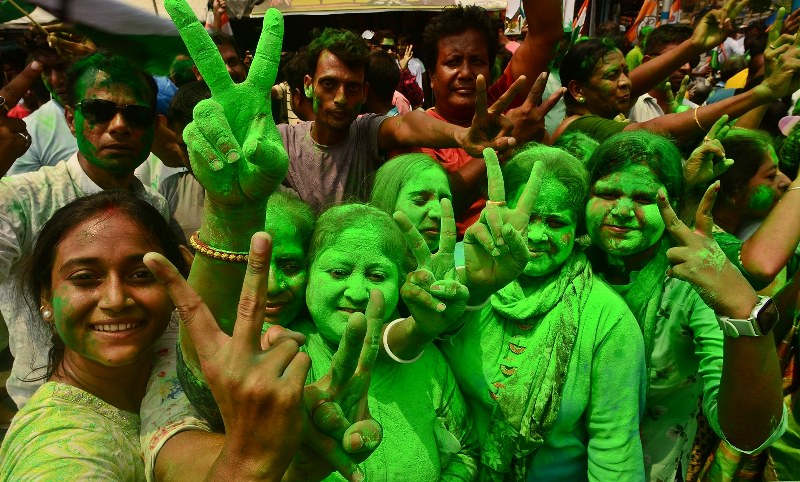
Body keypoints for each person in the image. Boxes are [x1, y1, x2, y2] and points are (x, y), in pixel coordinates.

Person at [384, 145, 647, 480]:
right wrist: (474, 292)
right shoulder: (460, 268)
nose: (536, 236)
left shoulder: (607, 318)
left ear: (579, 228)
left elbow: (615, 451)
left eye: (555, 222)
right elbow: (400, 360)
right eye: (528, 219)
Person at [583, 130, 787, 481]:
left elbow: (749, 434)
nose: (622, 211)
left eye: (645, 198)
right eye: (607, 193)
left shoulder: (691, 281)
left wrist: (743, 311)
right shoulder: (566, 259)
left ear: (672, 206)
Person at [0, 52, 171, 408]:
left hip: (147, 406)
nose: (119, 125)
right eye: (99, 111)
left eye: (135, 115)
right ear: (71, 119)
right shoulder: (23, 198)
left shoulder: (154, 205)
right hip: (52, 411)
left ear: (153, 126)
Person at [0, 191, 187, 479]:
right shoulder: (54, 441)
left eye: (139, 274)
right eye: (85, 278)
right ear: (46, 298)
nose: (115, 299)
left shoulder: (177, 364)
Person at [281, 27, 520, 213]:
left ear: (365, 92)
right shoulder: (284, 140)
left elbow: (408, 124)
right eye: (329, 84)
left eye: (352, 87)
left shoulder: (366, 132)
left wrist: (461, 136)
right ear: (308, 85)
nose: (341, 98)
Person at [420, 0, 564, 233]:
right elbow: (438, 206)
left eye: (477, 61)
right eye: (453, 62)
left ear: (490, 69)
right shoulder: (419, 134)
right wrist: (503, 144)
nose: (466, 73)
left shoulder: (505, 100)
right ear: (432, 76)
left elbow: (546, 34)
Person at [554, 21, 800, 144]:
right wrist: (762, 92)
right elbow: (656, 130)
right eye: (611, 76)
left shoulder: (602, 109)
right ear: (577, 90)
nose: (625, 83)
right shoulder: (581, 127)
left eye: (625, 72)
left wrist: (693, 45)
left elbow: (636, 82)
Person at [369, 153, 451, 253]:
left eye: (445, 202)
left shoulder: (465, 263)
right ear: (387, 203)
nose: (438, 213)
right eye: (420, 201)